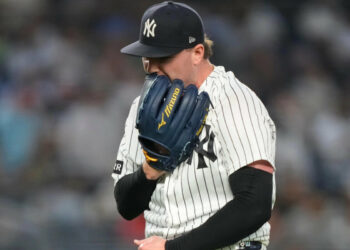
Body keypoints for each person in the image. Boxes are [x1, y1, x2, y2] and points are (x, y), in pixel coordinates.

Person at [112, 2, 276, 250]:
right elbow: (126, 206)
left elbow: (255, 204)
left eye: (162, 57)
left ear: (197, 53)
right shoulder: (142, 106)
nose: (152, 68)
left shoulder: (234, 99)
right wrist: (150, 169)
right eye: (147, 57)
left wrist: (172, 248)